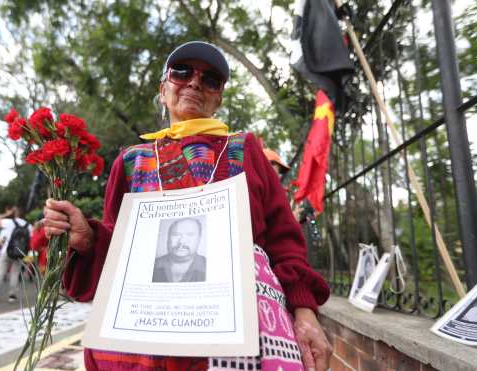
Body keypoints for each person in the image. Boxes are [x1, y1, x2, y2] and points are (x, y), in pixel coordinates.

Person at [43, 41, 332, 371]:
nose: (195, 81)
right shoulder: (131, 160)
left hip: (237, 342)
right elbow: (118, 246)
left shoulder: (244, 148)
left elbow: (284, 241)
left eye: (210, 79)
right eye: (181, 72)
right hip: (142, 346)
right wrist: (89, 240)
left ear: (218, 97)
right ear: (163, 88)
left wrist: (305, 312)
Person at [0, 206, 31, 303]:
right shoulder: (29, 225)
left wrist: (7, 214)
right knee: (15, 274)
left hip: (6, 251)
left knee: (0, 273)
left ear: (14, 213)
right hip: (20, 253)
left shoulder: (8, 222)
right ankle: (12, 295)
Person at [152, 218, 206, 283]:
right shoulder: (153, 265)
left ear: (199, 239)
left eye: (190, 235)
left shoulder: (210, 266)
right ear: (168, 238)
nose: (181, 241)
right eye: (176, 234)